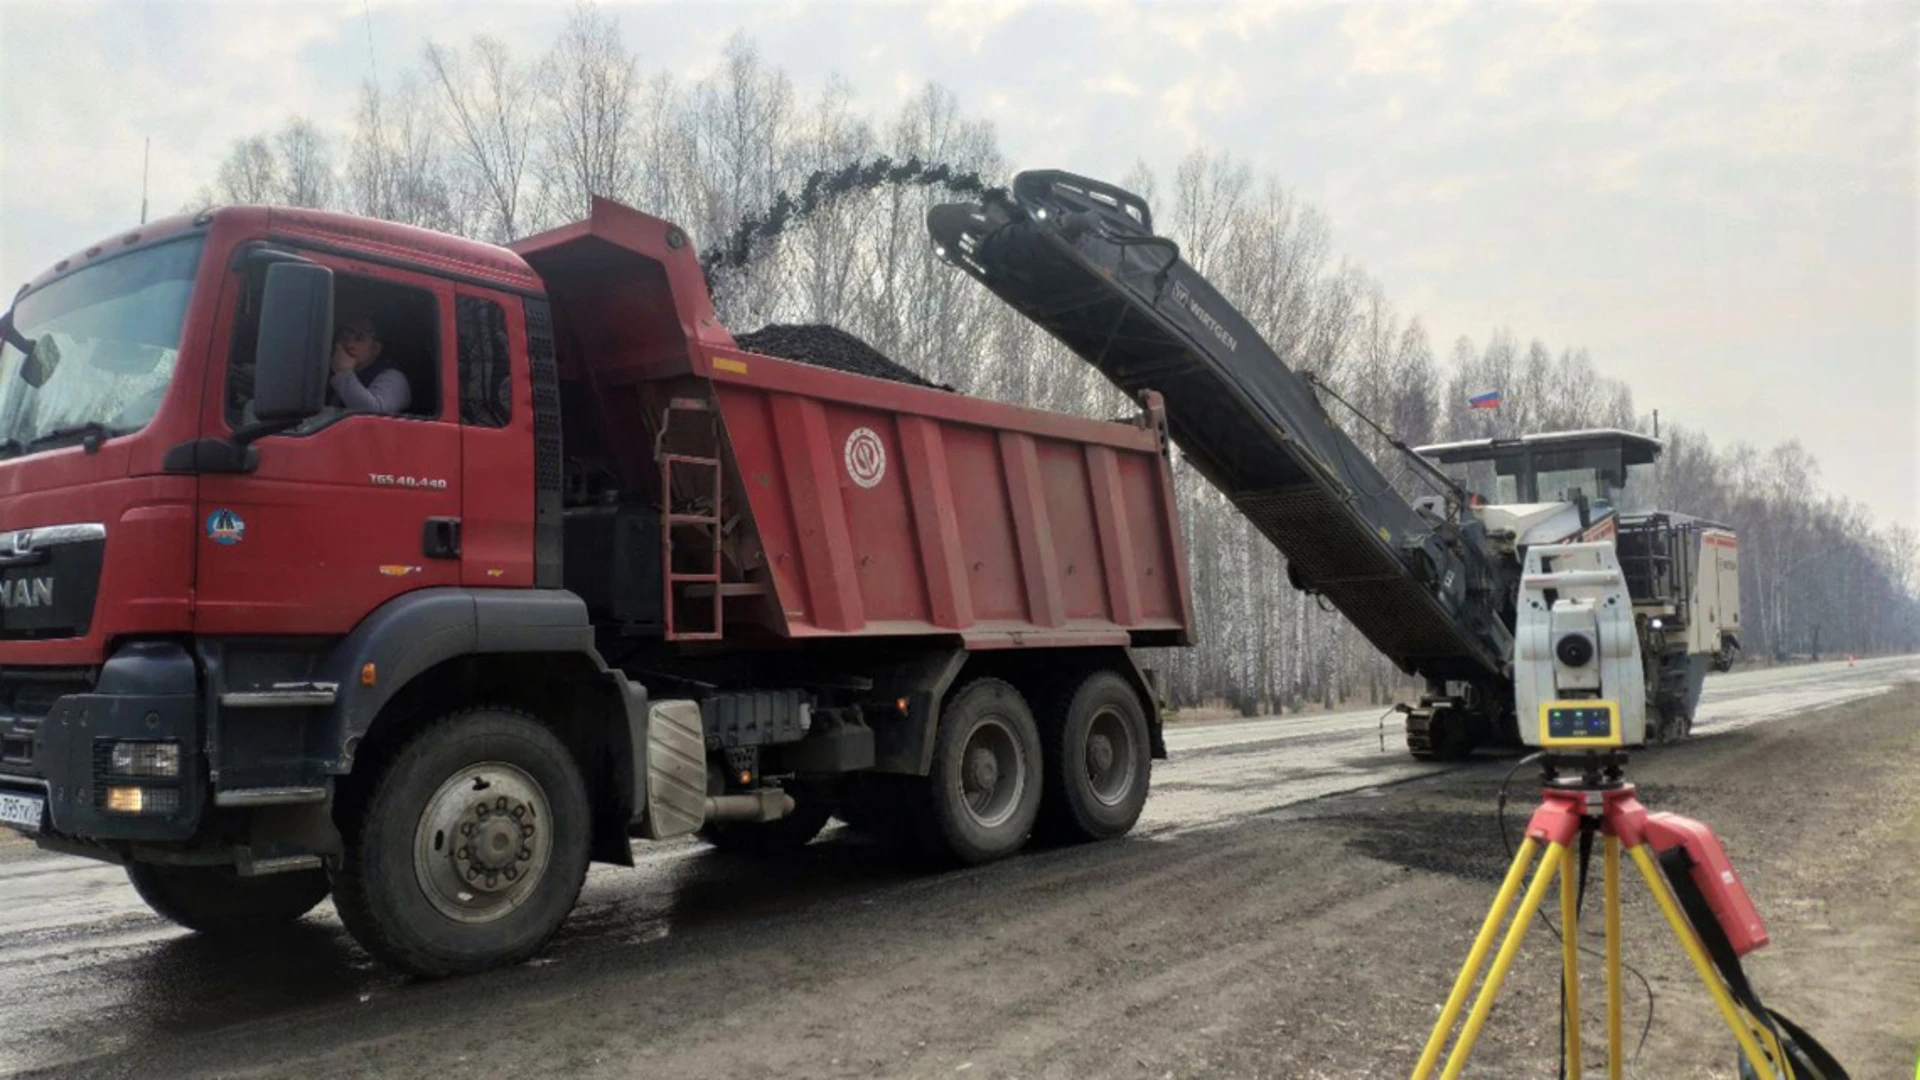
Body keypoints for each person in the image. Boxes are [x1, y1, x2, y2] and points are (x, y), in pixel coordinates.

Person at [330, 310, 410, 415]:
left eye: (360, 339)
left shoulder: (393, 377)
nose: (349, 345)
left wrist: (344, 373)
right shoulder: (332, 371)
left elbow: (376, 414)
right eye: (345, 337)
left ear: (376, 348)